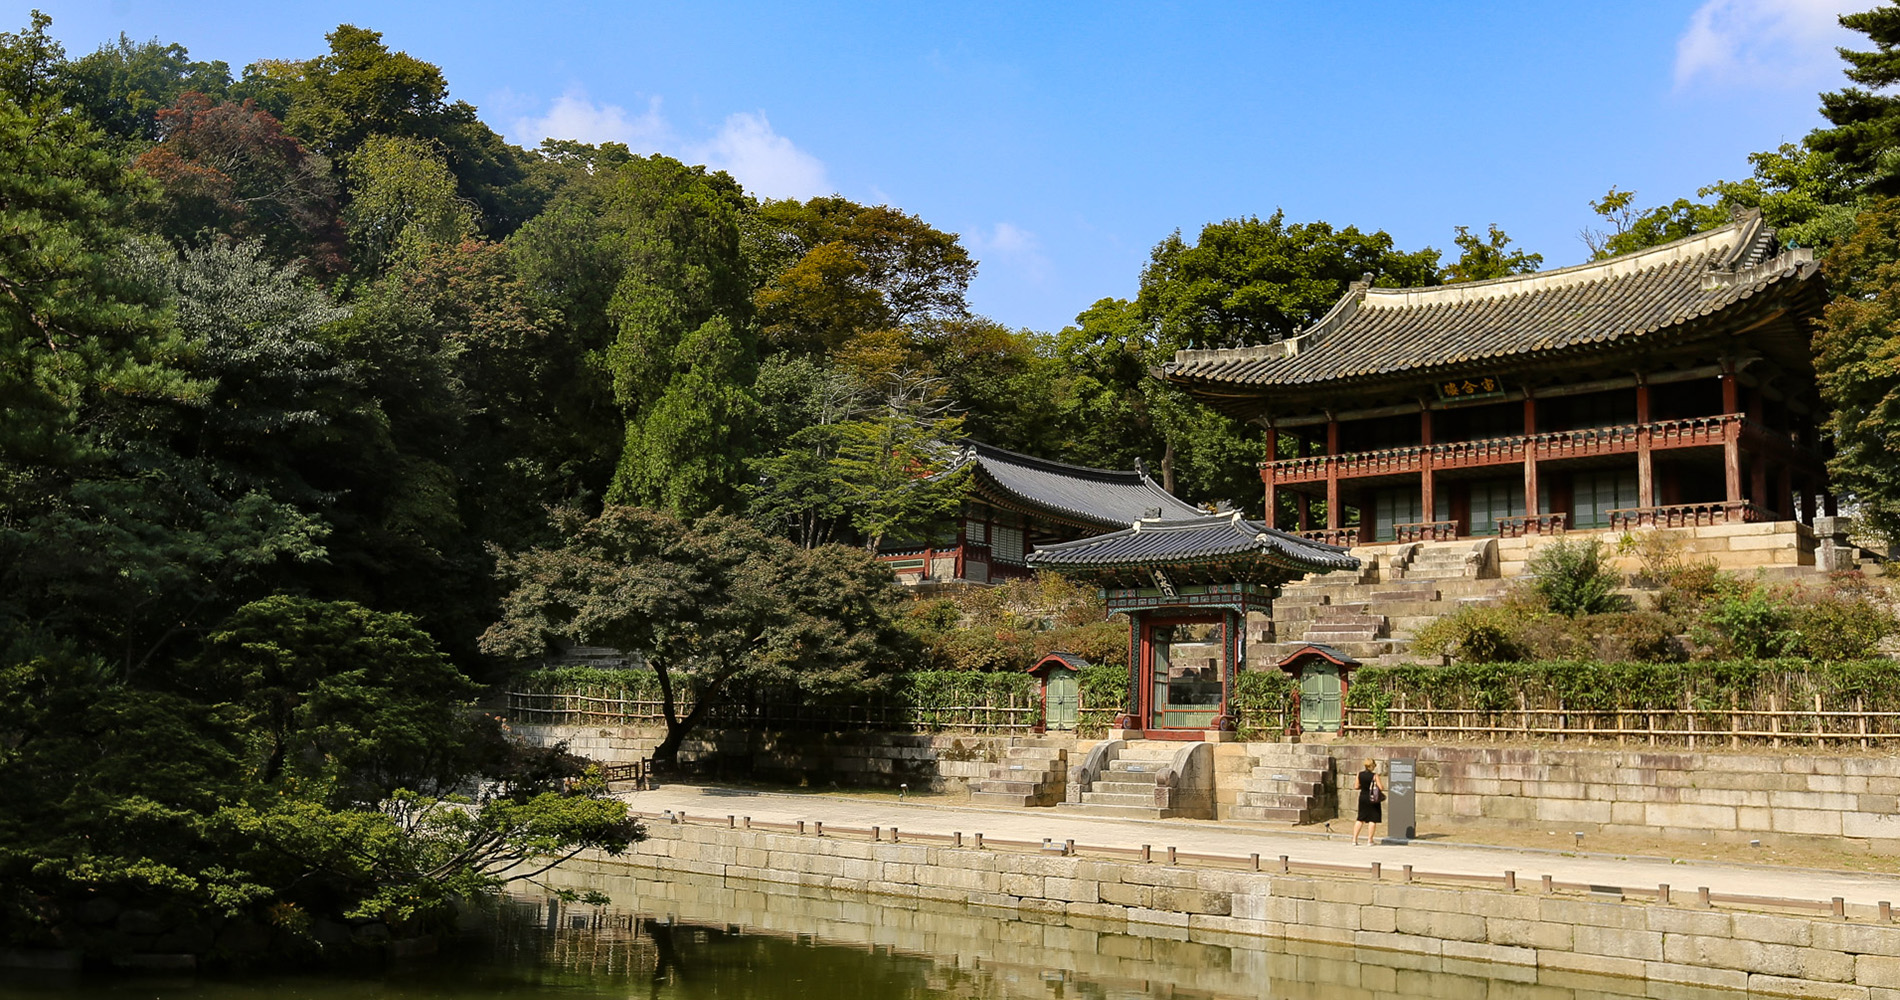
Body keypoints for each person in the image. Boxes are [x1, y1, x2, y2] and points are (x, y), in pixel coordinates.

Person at [1352, 758, 1382, 846]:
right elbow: (1381, 787)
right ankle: (1370, 840)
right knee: (1373, 818)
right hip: (1372, 798)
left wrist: (1364, 786)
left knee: (1360, 818)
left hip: (1363, 797)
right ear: (1372, 766)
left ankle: (1354, 839)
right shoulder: (1374, 775)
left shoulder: (1359, 774)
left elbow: (1356, 786)